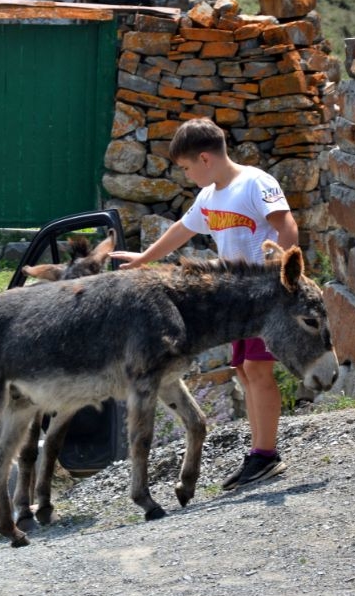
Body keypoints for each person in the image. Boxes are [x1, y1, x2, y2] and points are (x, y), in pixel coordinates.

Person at [111, 117, 299, 491]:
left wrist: (280, 270)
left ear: (204, 158)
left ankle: (265, 455)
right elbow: (181, 229)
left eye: (185, 168)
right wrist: (143, 258)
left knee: (257, 371)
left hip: (263, 295)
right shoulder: (209, 197)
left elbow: (286, 226)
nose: (186, 175)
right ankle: (259, 454)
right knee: (245, 372)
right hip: (234, 299)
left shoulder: (256, 183)